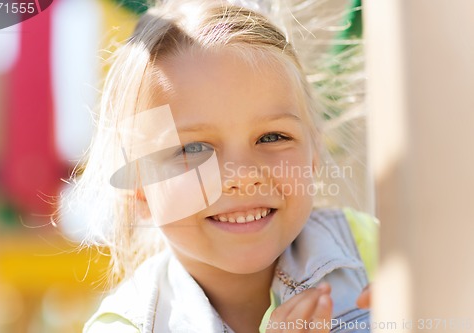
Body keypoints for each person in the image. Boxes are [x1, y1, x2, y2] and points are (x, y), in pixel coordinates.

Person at [63, 0, 377, 332]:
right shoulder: (130, 325)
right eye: (194, 148)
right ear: (139, 191)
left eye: (272, 137)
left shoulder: (377, 250)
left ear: (313, 151)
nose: (243, 175)